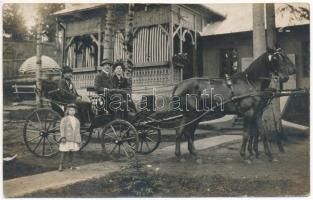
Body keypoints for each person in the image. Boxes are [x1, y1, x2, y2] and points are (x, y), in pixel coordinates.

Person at [58, 103, 81, 171]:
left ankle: (71, 165)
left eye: (73, 110)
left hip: (73, 139)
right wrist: (63, 137)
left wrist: (78, 140)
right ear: (67, 111)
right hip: (66, 138)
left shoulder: (77, 120)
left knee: (72, 152)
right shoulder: (64, 119)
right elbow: (62, 129)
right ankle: (60, 165)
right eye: (70, 110)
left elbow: (77, 131)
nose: (72, 112)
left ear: (75, 111)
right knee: (64, 151)